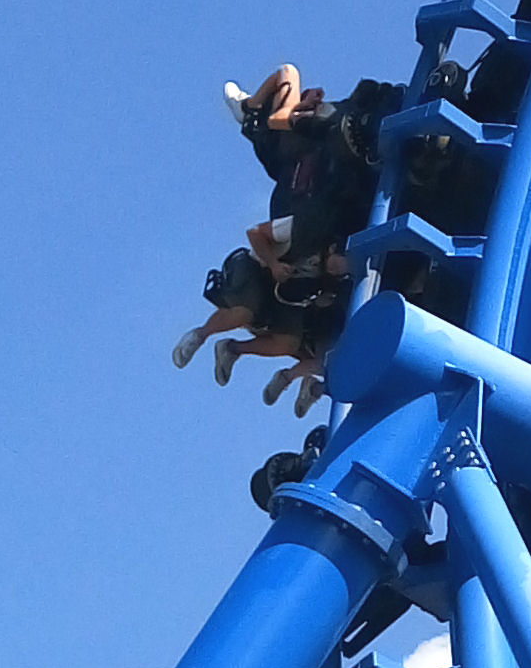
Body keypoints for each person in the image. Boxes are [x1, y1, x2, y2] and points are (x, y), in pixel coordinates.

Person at [170, 65, 403, 414]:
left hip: (294, 222)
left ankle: (290, 374)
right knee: (250, 310)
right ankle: (201, 336)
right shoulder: (305, 213)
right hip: (269, 256)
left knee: (302, 340)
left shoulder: (310, 184)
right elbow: (286, 76)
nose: (317, 94)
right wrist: (284, 112)